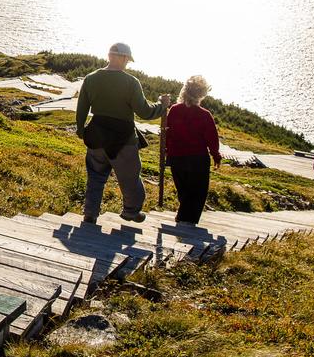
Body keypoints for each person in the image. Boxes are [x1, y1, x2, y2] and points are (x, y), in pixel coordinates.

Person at [76, 42, 171, 223]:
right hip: (123, 138)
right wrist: (162, 106)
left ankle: (90, 213)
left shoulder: (91, 78)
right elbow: (145, 112)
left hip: (97, 135)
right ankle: (130, 212)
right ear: (124, 58)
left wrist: (81, 131)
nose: (127, 63)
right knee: (130, 178)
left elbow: (82, 109)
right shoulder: (131, 83)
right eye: (127, 60)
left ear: (109, 56)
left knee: (96, 177)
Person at [164, 75, 222, 224]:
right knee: (197, 194)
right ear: (201, 94)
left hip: (176, 158)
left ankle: (183, 222)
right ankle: (186, 224)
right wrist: (216, 156)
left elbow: (168, 132)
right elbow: (212, 139)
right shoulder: (204, 115)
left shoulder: (174, 110)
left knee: (184, 193)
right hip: (197, 160)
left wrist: (167, 150)